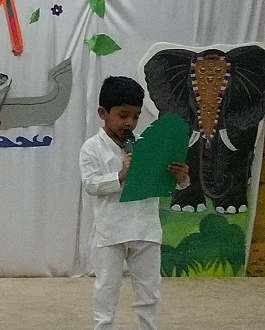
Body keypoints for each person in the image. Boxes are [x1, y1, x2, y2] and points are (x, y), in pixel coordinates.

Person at [79, 76, 190, 330]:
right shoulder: (91, 148)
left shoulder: (147, 145)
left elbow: (167, 183)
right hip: (110, 231)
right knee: (106, 289)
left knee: (149, 292)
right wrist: (121, 175)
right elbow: (91, 185)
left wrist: (181, 178)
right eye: (123, 115)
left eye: (136, 116)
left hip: (145, 228)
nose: (129, 122)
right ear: (103, 113)